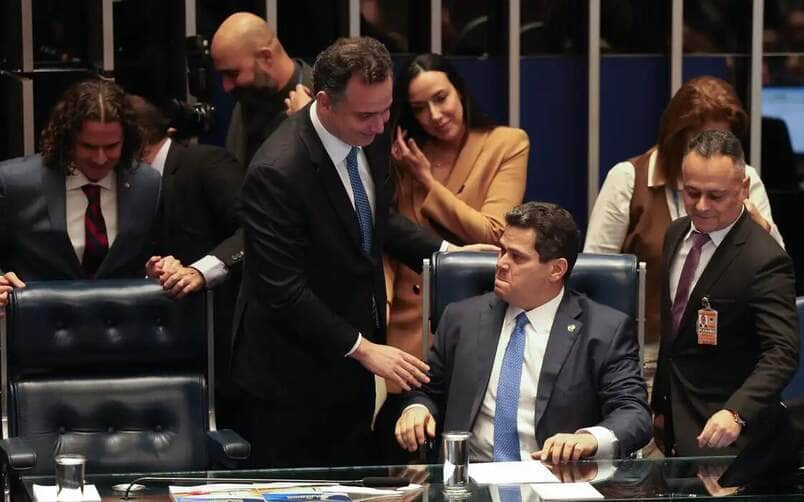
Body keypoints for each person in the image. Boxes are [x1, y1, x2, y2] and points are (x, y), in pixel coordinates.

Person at [232, 37, 481, 468]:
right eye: (367, 114)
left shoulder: (372, 131)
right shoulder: (278, 171)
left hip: (352, 368)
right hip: (289, 378)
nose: (381, 125)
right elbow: (283, 291)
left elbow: (374, 218)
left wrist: (449, 252)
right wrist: (364, 348)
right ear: (324, 102)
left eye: (386, 110)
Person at [395, 202, 651, 462]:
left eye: (517, 257)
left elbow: (633, 412)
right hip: (471, 478)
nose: (501, 263)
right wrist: (417, 409)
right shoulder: (462, 317)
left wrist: (589, 439)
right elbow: (427, 390)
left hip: (555, 478)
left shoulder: (604, 330)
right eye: (503, 251)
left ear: (556, 269)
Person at [584, 76, 784, 391]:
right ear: (676, 137)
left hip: (725, 356)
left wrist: (754, 222)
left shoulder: (743, 180)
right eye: (700, 139)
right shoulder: (627, 179)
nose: (713, 150)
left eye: (723, 138)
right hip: (645, 356)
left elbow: (775, 272)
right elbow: (594, 277)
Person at [377, 54, 529, 451]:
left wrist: (426, 180)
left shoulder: (505, 143)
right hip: (405, 331)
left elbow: (493, 233)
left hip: (474, 321)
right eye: (419, 108)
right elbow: (388, 237)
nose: (435, 115)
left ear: (459, 90)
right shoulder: (402, 151)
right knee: (399, 455)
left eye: (441, 98)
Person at [651, 130, 799, 457]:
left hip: (730, 439)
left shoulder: (765, 258)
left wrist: (737, 413)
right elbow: (674, 336)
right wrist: (660, 406)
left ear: (743, 189)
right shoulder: (675, 234)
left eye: (715, 196)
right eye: (691, 193)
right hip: (672, 425)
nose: (701, 206)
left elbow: (782, 353)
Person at [129, 95, 245, 427]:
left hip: (228, 346)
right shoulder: (128, 186)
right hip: (168, 347)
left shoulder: (206, 162)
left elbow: (257, 229)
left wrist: (201, 269)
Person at [0, 78, 160, 315]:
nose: (100, 158)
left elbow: (149, 259)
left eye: (112, 146)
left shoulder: (146, 184)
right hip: (37, 330)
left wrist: (157, 269)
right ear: (67, 138)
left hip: (121, 334)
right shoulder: (15, 182)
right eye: (88, 146)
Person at [210, 12, 314, 166]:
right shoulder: (247, 99)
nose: (226, 86)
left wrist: (311, 128)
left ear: (266, 57)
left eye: (232, 74)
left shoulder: (325, 101)